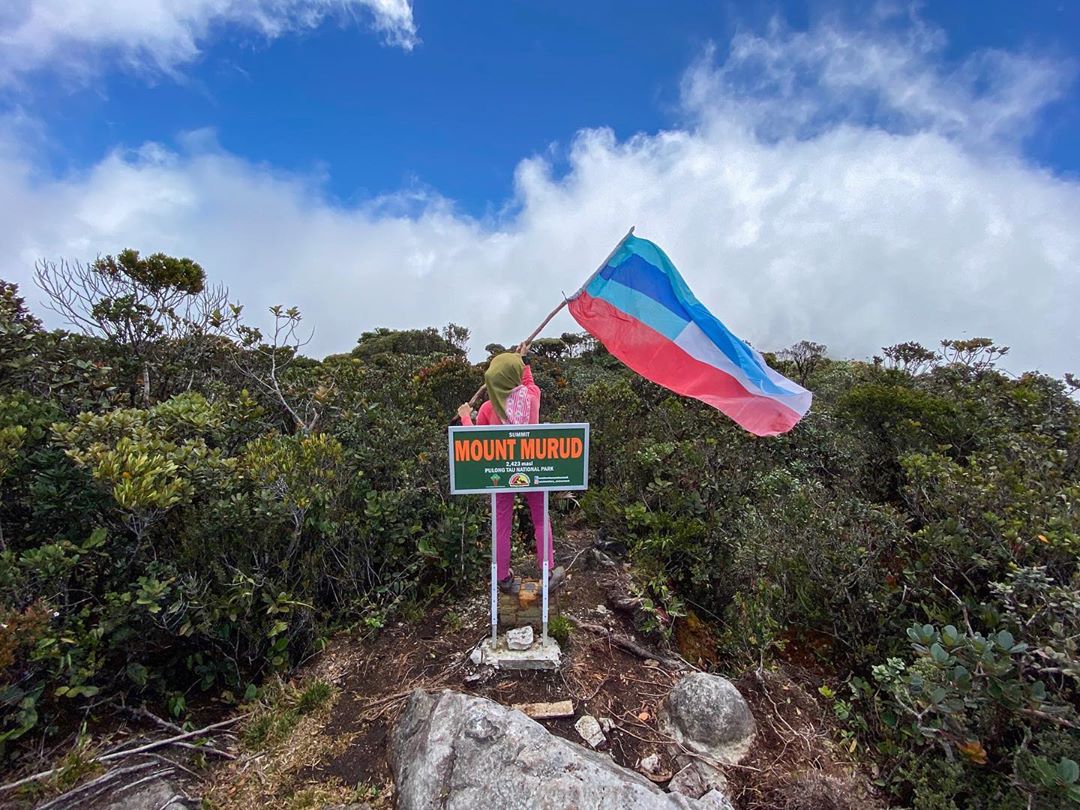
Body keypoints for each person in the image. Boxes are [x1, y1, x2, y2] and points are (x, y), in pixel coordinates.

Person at [457, 347, 566, 595]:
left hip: (501, 474)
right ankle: (548, 570)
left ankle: (503, 577)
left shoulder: (487, 409)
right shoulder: (532, 398)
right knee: (540, 517)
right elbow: (528, 381)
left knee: (502, 521)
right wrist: (524, 360)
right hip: (533, 467)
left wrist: (465, 417)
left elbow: (474, 442)